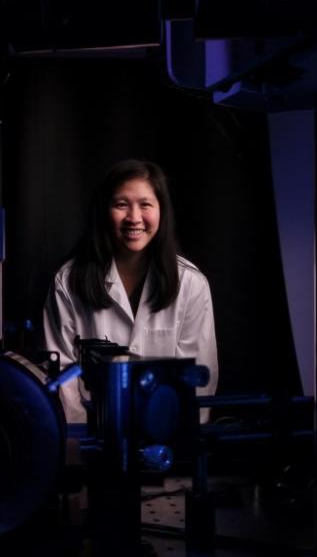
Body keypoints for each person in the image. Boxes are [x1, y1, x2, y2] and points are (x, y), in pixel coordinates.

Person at [44, 159, 218, 423]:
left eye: (145, 204)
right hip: (91, 440)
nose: (134, 218)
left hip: (166, 438)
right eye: (121, 205)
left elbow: (199, 377)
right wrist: (82, 447)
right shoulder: (67, 282)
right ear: (104, 210)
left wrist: (170, 442)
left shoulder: (191, 284)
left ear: (162, 211)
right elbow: (62, 374)